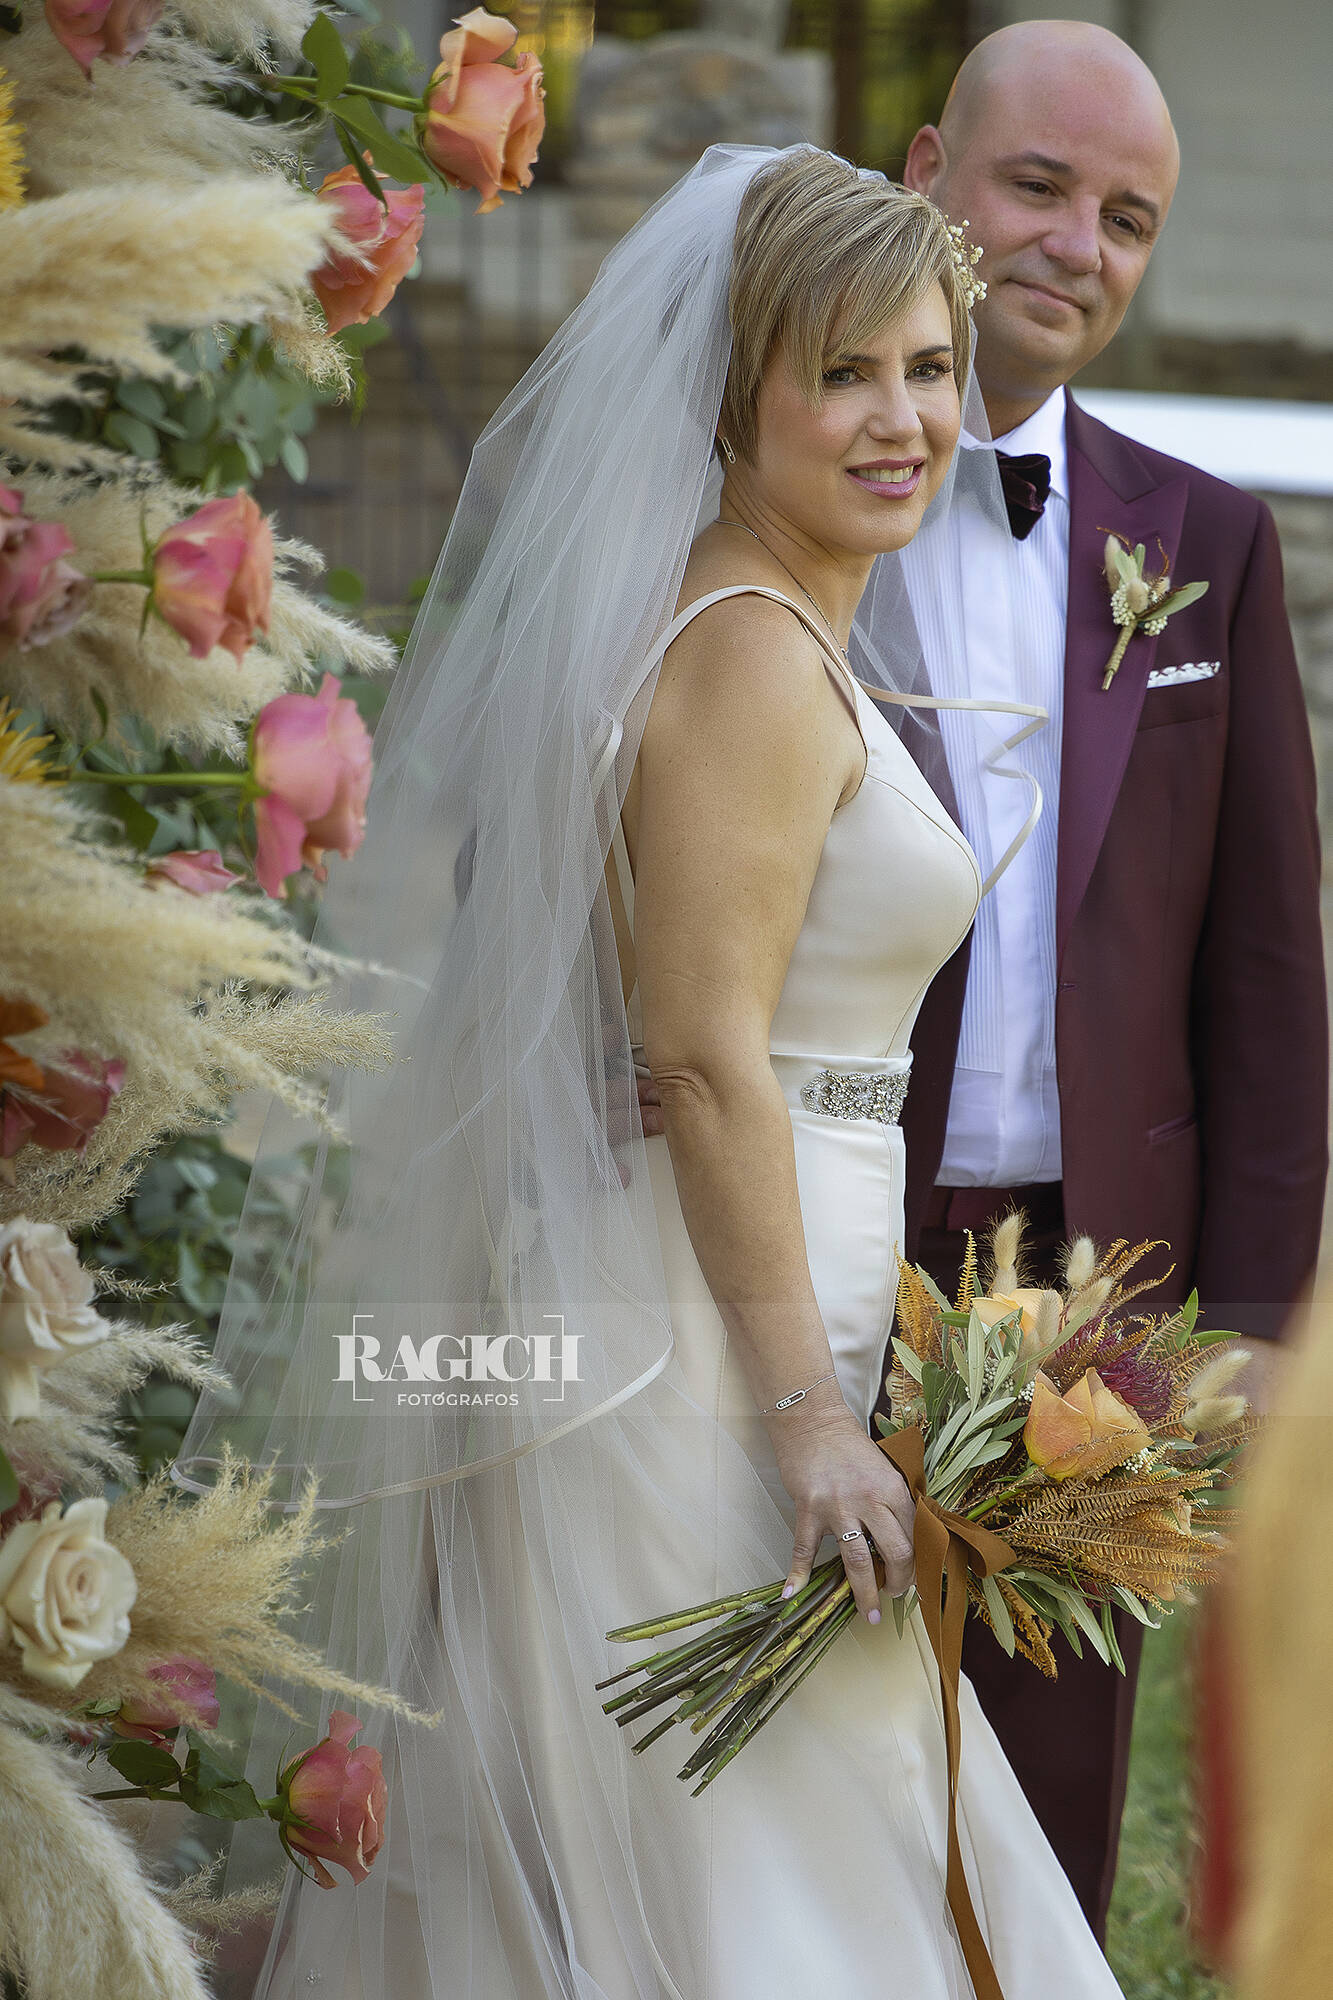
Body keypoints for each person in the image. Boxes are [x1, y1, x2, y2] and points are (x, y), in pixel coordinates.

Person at [176, 144, 1124, 1998]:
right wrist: (804, 1420)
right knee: (747, 1827)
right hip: (690, 1343)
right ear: (729, 397)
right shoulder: (754, 660)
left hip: (753, 1290)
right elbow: (699, 1058)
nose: (899, 418)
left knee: (735, 1808)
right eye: (840, 372)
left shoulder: (764, 629)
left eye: (928, 369)